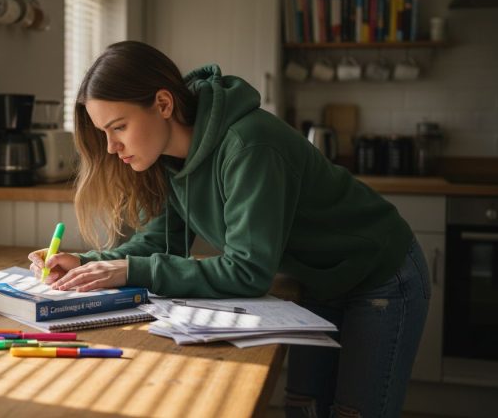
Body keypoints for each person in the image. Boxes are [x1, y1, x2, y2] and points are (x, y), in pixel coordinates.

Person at [27, 41, 430, 418]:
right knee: (304, 406)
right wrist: (84, 262)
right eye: (103, 133)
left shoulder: (249, 145)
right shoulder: (169, 156)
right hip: (320, 279)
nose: (112, 147)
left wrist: (130, 270)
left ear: (163, 104)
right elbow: (158, 240)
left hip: (379, 275)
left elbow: (248, 271)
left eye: (118, 127)